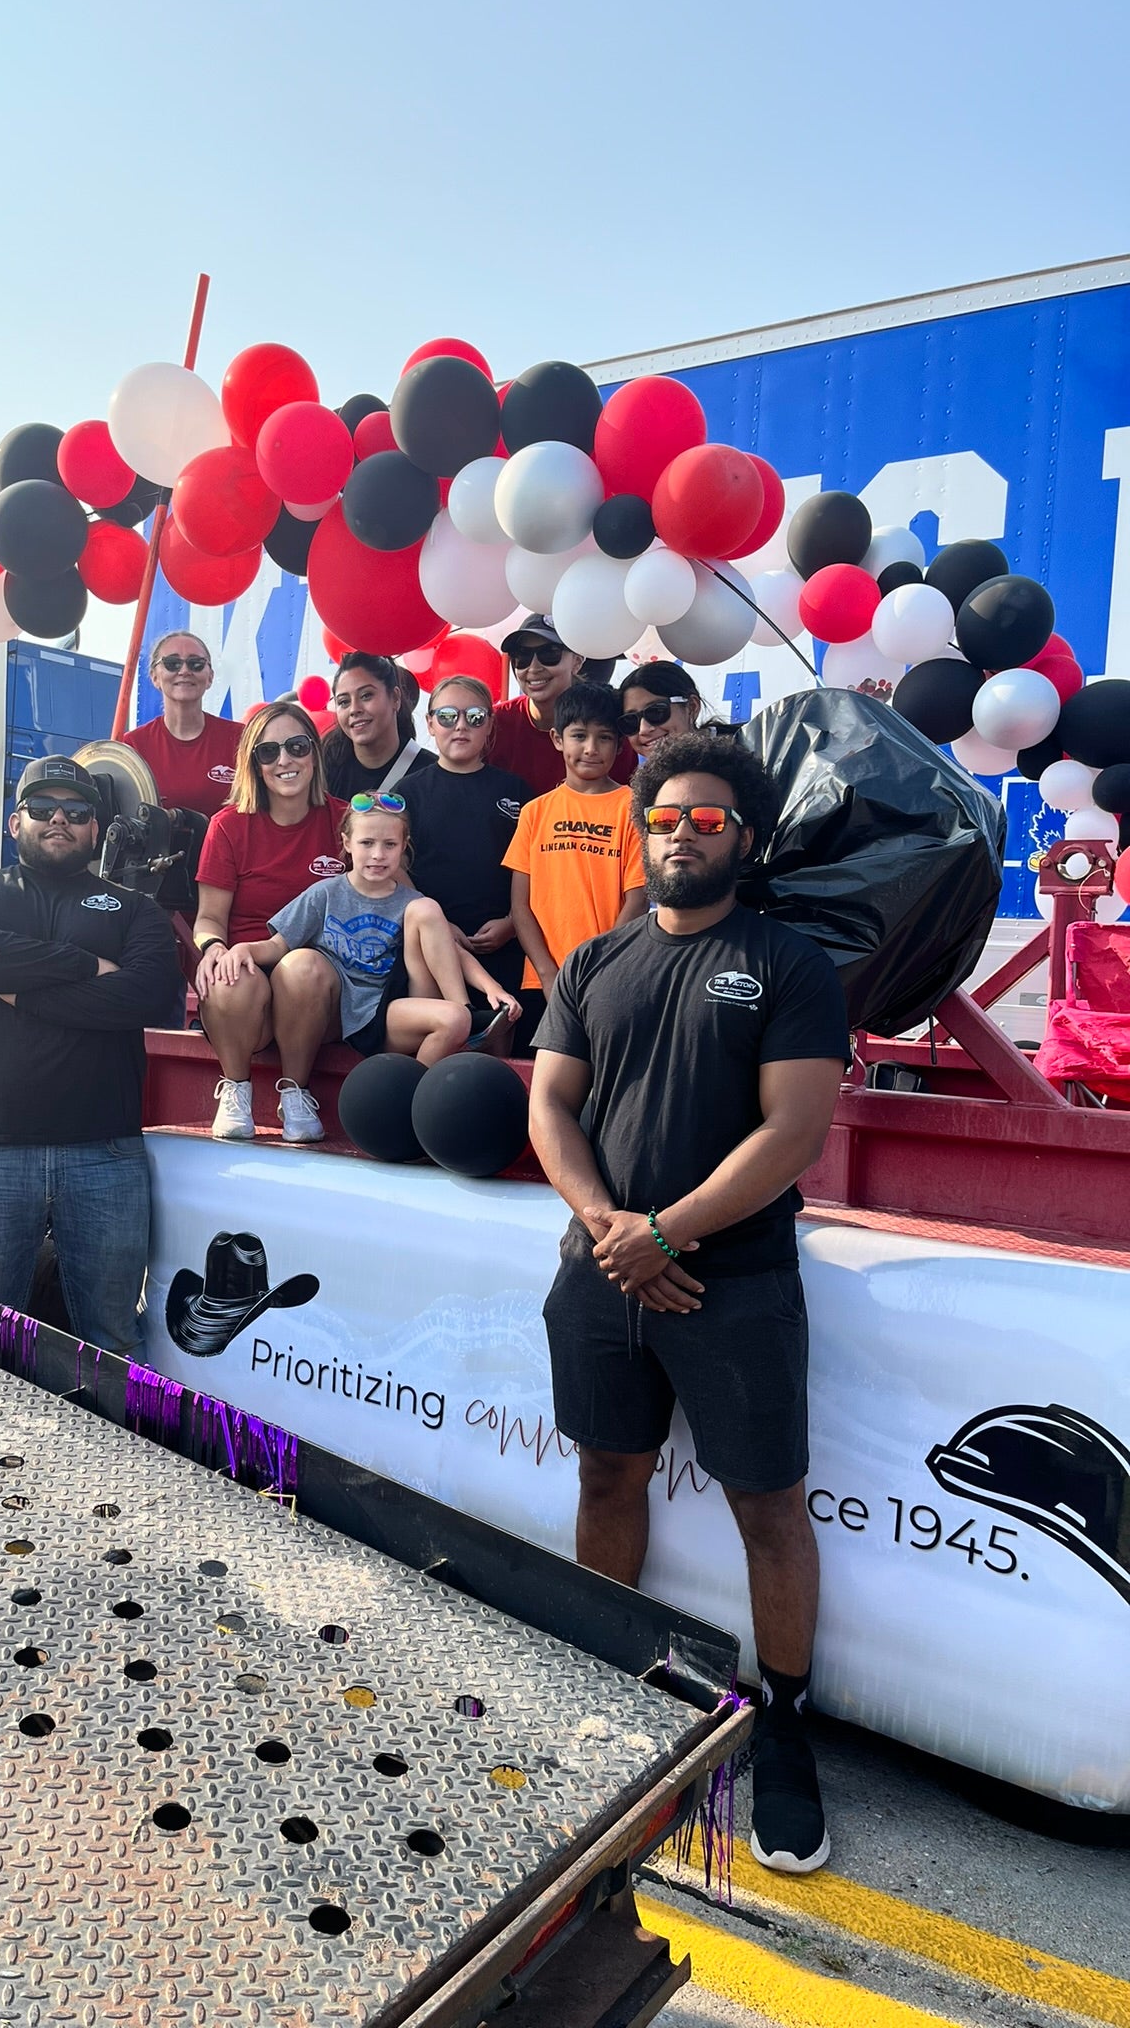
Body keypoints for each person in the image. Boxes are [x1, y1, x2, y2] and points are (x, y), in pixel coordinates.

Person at [529, 731, 849, 1874]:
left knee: (767, 1507)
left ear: (742, 837)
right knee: (607, 1472)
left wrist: (670, 1230)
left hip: (735, 1280)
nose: (680, 832)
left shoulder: (789, 962)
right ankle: (608, 1681)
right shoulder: (592, 961)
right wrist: (618, 1231)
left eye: (705, 818)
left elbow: (792, 1131)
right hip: (600, 1269)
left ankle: (789, 1728)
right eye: (664, 816)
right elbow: (551, 1108)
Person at [0, 755, 181, 1353]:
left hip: (105, 1153)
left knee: (113, 1339)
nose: (58, 819)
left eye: (76, 811)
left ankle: (119, 1451)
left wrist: (14, 989)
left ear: (96, 827)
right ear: (16, 823)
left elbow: (148, 993)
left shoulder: (135, 908)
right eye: (42, 809)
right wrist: (87, 967)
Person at [224, 794, 521, 1129]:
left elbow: (452, 950)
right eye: (367, 843)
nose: (378, 855)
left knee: (453, 1014)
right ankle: (406, 1105)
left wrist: (493, 989)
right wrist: (243, 949)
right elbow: (279, 945)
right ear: (347, 843)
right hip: (335, 1013)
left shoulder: (412, 901)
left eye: (389, 844)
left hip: (385, 1013)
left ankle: (409, 1104)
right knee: (303, 962)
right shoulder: (325, 893)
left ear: (404, 845)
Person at [192, 703, 348, 1142]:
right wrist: (213, 948)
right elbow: (208, 918)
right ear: (254, 764)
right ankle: (236, 1089)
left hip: (320, 986)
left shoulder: (344, 822)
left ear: (314, 755)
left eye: (297, 746)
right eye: (269, 751)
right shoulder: (227, 827)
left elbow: (394, 891)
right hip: (249, 985)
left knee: (302, 966)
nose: (284, 760)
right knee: (229, 976)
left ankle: (295, 1093)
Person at [503, 681, 648, 1034]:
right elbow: (520, 906)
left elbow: (638, 900)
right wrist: (548, 973)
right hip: (542, 982)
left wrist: (599, 967)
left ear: (618, 744)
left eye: (604, 738)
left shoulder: (633, 808)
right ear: (557, 739)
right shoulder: (535, 812)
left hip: (609, 977)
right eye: (579, 736)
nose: (590, 748)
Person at [399, 674, 533, 1013]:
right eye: (447, 716)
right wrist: (438, 925)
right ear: (429, 724)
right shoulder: (407, 793)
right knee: (446, 1031)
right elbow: (393, 869)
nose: (460, 726)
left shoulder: (516, 791)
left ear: (489, 725)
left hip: (504, 942)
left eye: (474, 717)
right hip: (432, 944)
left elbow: (539, 870)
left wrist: (514, 924)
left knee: (501, 1029)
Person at [493, 615, 638, 795]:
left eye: (549, 653)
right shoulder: (493, 724)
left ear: (577, 661)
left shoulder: (610, 723)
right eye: (522, 656)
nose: (534, 667)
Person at [122, 628, 244, 817]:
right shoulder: (133, 746)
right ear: (155, 677)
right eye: (172, 663)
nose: (184, 671)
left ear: (210, 677)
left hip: (228, 846)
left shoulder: (240, 738)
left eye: (196, 664)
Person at [321, 653, 435, 800]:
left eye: (366, 695)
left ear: (395, 698)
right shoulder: (325, 771)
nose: (354, 709)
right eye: (344, 702)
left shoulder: (431, 775)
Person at [616, 660, 707, 759]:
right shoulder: (649, 773)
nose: (643, 730)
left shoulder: (724, 763)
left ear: (692, 707)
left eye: (656, 712)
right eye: (630, 721)